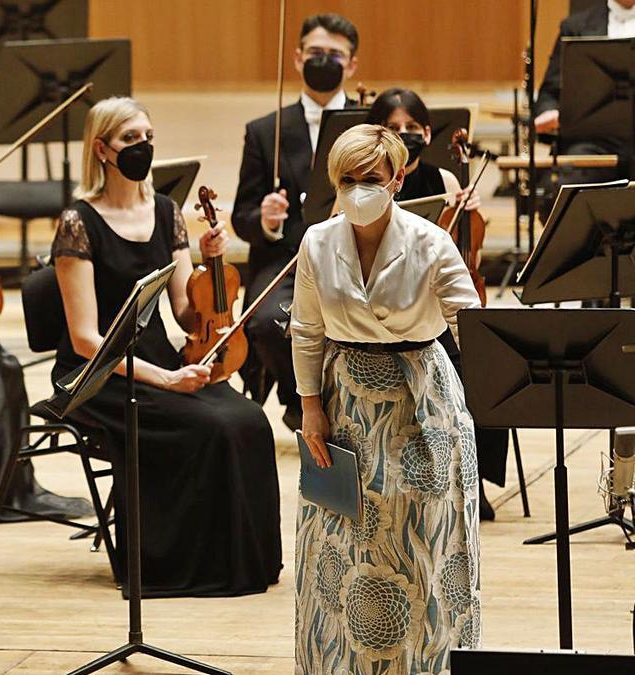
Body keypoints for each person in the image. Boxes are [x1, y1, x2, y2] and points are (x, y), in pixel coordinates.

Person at [52, 97, 281, 598]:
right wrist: (167, 380)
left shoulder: (167, 212)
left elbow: (182, 312)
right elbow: (86, 339)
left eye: (148, 137)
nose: (143, 147)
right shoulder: (77, 223)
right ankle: (175, 567)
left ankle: (242, 563)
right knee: (210, 425)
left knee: (248, 420)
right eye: (130, 138)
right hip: (99, 374)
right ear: (102, 150)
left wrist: (210, 266)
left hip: (158, 360)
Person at [292, 125, 482, 673]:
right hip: (345, 394)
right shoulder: (317, 242)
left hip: (421, 395)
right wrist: (310, 407)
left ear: (397, 179)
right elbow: (306, 330)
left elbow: (467, 319)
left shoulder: (431, 240)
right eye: (346, 181)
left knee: (424, 538)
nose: (357, 191)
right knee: (344, 539)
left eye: (369, 179)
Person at [367, 88, 506, 521]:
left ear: (428, 133)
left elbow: (466, 261)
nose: (403, 135)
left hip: (436, 306)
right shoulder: (363, 188)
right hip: (386, 312)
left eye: (412, 128)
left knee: (487, 363)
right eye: (392, 128)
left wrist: (469, 217)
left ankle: (475, 478)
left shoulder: (445, 181)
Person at [232, 13, 360, 431]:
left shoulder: (370, 125)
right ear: (298, 57)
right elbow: (241, 216)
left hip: (357, 256)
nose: (324, 61)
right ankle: (301, 399)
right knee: (267, 320)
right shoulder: (264, 131)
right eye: (316, 53)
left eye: (335, 55)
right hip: (286, 258)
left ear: (352, 64)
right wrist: (265, 219)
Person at [533, 0, 634, 210]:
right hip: (592, 143)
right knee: (565, 190)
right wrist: (548, 112)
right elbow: (550, 91)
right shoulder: (575, 27)